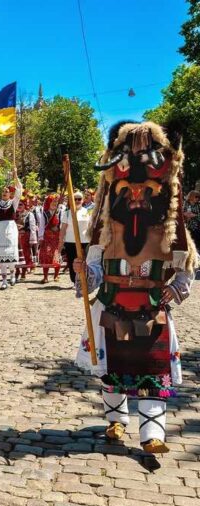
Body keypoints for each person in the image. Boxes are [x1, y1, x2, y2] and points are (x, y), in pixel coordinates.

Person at [74, 121, 196, 454]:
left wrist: (176, 289)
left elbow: (186, 267)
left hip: (151, 309)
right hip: (112, 307)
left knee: (153, 372)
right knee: (112, 370)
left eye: (146, 191)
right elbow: (95, 273)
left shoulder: (168, 229)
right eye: (128, 189)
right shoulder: (107, 229)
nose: (138, 196)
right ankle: (116, 419)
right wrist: (86, 272)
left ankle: (152, 434)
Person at [0, 175, 23, 289]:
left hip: (11, 229)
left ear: (10, 194)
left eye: (7, 191)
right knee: (2, 256)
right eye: (3, 191)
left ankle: (12, 275)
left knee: (10, 254)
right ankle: (4, 280)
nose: (5, 193)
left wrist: (16, 176)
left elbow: (20, 190)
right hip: (0, 230)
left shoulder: (13, 203)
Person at [59, 191, 91, 283]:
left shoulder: (87, 212)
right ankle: (75, 281)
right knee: (73, 262)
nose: (77, 201)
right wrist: (61, 242)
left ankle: (84, 281)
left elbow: (90, 227)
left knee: (84, 262)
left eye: (79, 199)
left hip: (85, 241)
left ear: (83, 200)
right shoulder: (67, 213)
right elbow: (63, 229)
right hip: (70, 242)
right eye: (75, 199)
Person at [38, 194, 62, 283]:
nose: (55, 203)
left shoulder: (60, 212)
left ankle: (56, 275)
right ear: (49, 202)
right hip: (47, 237)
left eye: (56, 201)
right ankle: (45, 277)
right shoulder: (44, 213)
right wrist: (40, 237)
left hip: (57, 237)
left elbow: (62, 224)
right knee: (46, 255)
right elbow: (41, 226)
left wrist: (60, 231)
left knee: (56, 255)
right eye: (53, 201)